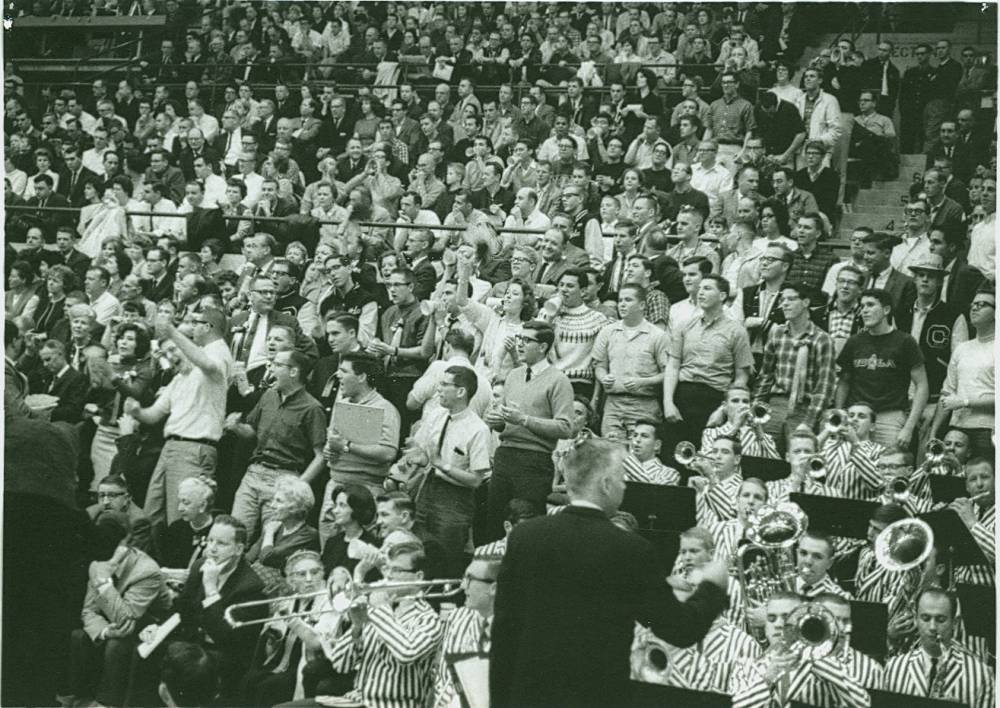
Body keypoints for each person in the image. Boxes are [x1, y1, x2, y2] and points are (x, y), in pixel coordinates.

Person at [491, 436, 730, 708]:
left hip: (528, 697)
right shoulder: (632, 550)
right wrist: (712, 585)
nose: (625, 485)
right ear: (605, 484)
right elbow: (680, 629)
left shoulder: (525, 536)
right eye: (621, 478)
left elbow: (504, 636)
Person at [133, 516, 265, 705]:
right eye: (210, 540)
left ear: (238, 549)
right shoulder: (199, 566)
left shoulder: (250, 587)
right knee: (145, 651)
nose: (211, 548)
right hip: (193, 643)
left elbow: (224, 637)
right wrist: (158, 628)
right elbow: (181, 610)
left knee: (182, 665)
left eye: (221, 543)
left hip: (224, 654)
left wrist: (211, 590)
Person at [125, 308, 232, 530]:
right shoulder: (181, 378)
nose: (170, 357)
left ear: (207, 327)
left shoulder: (217, 355)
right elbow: (153, 415)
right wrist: (136, 411)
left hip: (194, 449)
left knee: (181, 519)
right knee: (151, 516)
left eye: (196, 323)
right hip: (170, 448)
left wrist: (172, 332)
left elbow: (208, 364)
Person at [483, 320, 574, 540]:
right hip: (505, 456)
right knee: (495, 521)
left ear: (542, 347)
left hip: (534, 461)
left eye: (526, 340)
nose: (519, 344)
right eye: (518, 339)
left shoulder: (559, 381)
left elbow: (565, 427)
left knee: (527, 527)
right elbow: (505, 422)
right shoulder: (513, 375)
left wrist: (524, 420)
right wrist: (495, 421)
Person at [66, 511, 166, 708]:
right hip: (114, 623)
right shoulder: (97, 562)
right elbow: (88, 611)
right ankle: (77, 699)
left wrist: (103, 583)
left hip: (148, 626)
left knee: (117, 644)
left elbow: (126, 620)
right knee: (78, 636)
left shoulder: (147, 570)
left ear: (125, 546)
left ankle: (106, 704)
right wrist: (104, 631)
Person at [326, 540, 443, 708]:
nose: (388, 576)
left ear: (418, 577)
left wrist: (379, 610)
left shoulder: (429, 620)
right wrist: (357, 628)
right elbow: (339, 664)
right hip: (357, 702)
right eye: (387, 568)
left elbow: (407, 653)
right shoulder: (381, 611)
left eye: (396, 570)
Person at [226, 349, 327, 540]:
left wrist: (297, 486)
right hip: (254, 473)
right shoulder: (268, 396)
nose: (271, 369)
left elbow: (321, 457)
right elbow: (252, 433)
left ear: (294, 372)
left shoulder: (312, 408)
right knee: (234, 535)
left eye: (277, 365)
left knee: (271, 542)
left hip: (283, 479)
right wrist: (237, 427)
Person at [408, 365, 492, 574]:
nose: (439, 390)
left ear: (461, 391)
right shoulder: (436, 415)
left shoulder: (478, 430)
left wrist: (441, 464)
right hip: (427, 489)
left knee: (446, 559)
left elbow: (476, 480)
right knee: (417, 549)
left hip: (456, 499)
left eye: (445, 385)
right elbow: (423, 451)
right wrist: (419, 457)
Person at [730, 591, 871, 707]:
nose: (778, 624)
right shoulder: (745, 667)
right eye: (771, 618)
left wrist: (819, 659)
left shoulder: (825, 667)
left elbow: (863, 704)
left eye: (786, 617)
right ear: (765, 625)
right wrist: (767, 679)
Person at [664, 274, 753, 452]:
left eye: (707, 288)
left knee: (705, 455)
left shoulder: (737, 331)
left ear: (722, 296)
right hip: (682, 395)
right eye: (700, 288)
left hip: (714, 398)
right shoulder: (684, 325)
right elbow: (673, 366)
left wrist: (723, 409)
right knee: (674, 452)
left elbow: (742, 376)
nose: (700, 292)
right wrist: (668, 403)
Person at [836, 288, 929, 450]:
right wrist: (839, 414)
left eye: (870, 305)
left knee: (889, 467)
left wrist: (908, 427)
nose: (864, 310)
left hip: (889, 417)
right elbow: (844, 382)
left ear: (886, 310)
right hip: (856, 415)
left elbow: (922, 385)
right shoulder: (855, 342)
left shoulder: (905, 342)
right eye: (862, 306)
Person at [753, 282, 836, 448]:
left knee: (798, 457)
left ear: (806, 302)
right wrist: (756, 409)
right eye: (783, 300)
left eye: (791, 299)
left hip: (804, 407)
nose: (784, 304)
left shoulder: (822, 339)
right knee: (765, 454)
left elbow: (824, 386)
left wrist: (809, 421)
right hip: (775, 405)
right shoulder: (777, 333)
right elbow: (766, 375)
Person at [883, 587, 994, 708]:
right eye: (925, 618)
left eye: (940, 620)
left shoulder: (981, 674)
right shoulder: (894, 667)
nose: (932, 627)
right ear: (916, 619)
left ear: (954, 623)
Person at [592, 283, 669, 439]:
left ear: (642, 305)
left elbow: (668, 373)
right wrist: (603, 377)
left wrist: (643, 382)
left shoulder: (658, 335)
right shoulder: (607, 332)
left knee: (640, 453)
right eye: (620, 300)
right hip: (613, 404)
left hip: (644, 405)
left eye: (628, 300)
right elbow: (600, 366)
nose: (622, 304)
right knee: (610, 451)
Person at [930, 285, 995, 459]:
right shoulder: (962, 349)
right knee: (951, 482)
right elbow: (947, 392)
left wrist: (964, 402)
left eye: (983, 304)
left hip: (987, 430)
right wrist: (934, 432)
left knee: (982, 482)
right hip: (956, 429)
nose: (975, 307)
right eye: (974, 304)